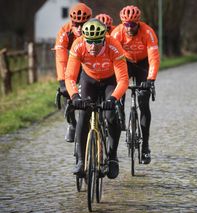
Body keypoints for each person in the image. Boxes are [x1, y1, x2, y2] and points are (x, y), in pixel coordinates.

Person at [65, 18, 129, 179]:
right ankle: (80, 160)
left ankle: (112, 157)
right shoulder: (78, 45)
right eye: (90, 42)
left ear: (104, 39)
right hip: (89, 80)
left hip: (110, 81)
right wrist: (74, 96)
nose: (93, 47)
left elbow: (123, 80)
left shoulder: (114, 45)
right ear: (84, 39)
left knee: (110, 115)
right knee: (84, 115)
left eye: (97, 42)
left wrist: (113, 99)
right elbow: (70, 77)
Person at [111, 5, 160, 164]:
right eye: (126, 24)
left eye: (133, 24)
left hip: (143, 64)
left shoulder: (148, 32)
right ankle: (121, 113)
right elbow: (112, 57)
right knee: (119, 88)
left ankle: (145, 146)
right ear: (122, 23)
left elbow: (153, 58)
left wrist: (150, 80)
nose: (129, 28)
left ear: (138, 23)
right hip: (125, 62)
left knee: (143, 103)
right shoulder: (117, 33)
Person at [54, 3, 92, 142]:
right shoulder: (64, 31)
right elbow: (61, 58)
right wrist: (62, 82)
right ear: (72, 22)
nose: (80, 28)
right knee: (68, 95)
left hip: (89, 65)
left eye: (83, 24)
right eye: (76, 24)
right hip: (71, 64)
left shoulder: (93, 29)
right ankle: (72, 123)